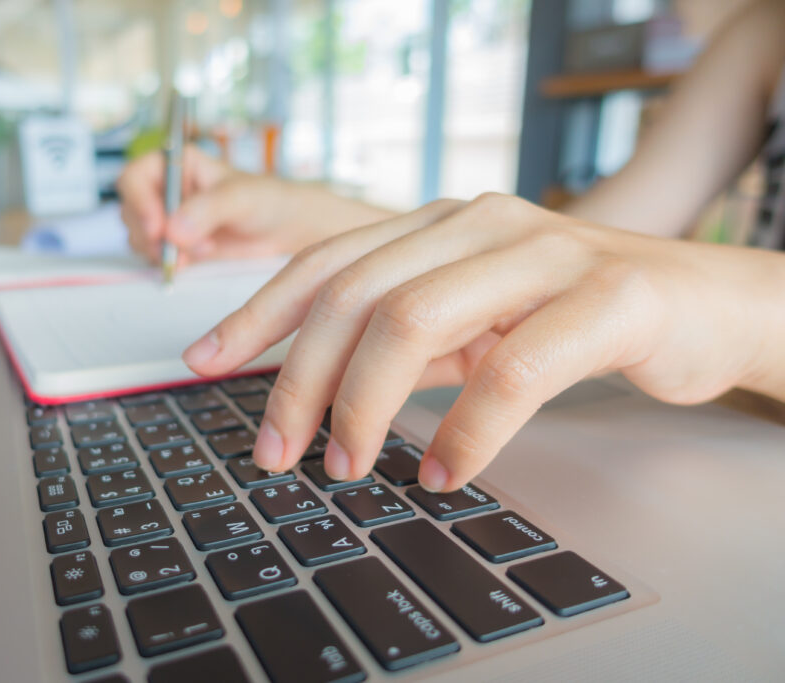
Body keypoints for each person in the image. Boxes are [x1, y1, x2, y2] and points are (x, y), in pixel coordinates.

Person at [117, 0, 785, 493]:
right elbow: (571, 249)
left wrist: (738, 310)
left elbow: (639, 273)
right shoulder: (760, 35)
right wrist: (297, 213)